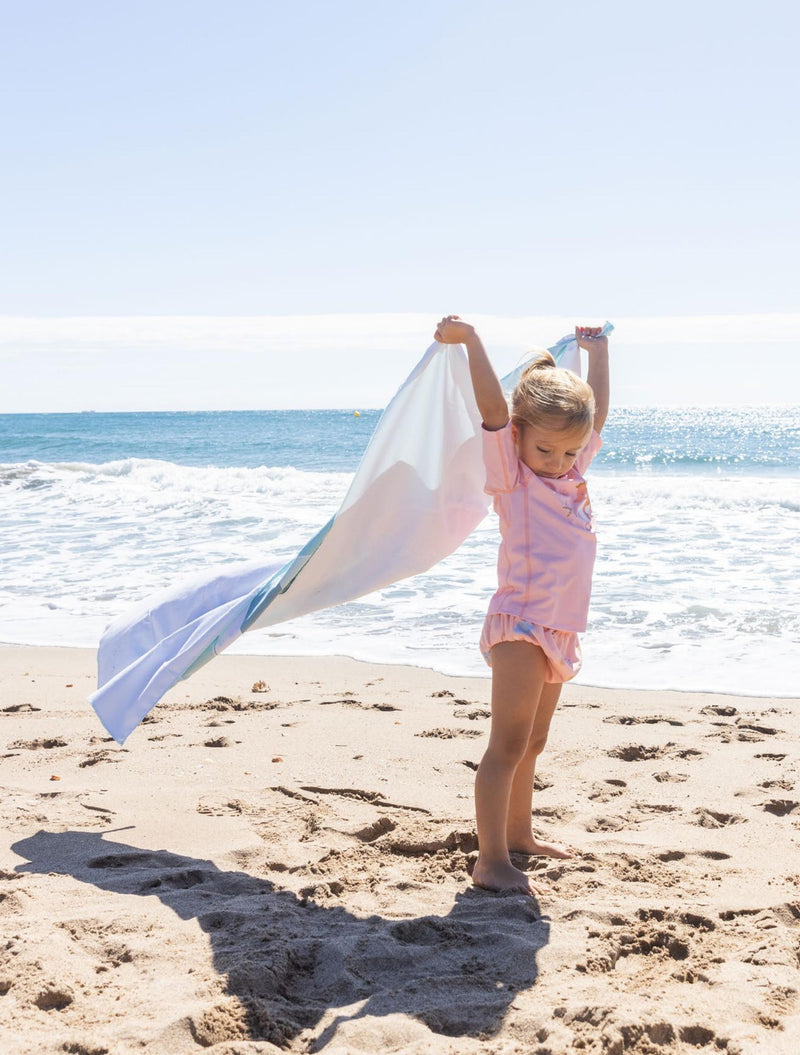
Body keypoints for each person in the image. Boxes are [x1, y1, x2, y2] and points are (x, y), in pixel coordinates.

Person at [433, 315, 610, 894]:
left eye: (569, 451)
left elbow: (597, 413)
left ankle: (520, 836)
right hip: (522, 624)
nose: (557, 461)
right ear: (519, 434)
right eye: (546, 448)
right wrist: (472, 343)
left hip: (561, 629)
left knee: (534, 743)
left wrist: (597, 353)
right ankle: (490, 861)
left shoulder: (572, 473)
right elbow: (491, 410)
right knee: (506, 744)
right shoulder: (512, 473)